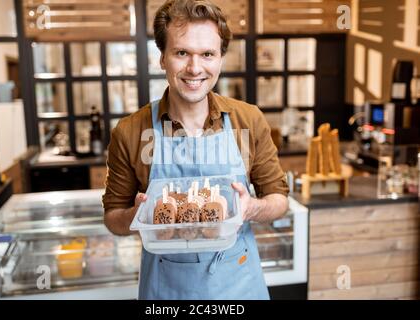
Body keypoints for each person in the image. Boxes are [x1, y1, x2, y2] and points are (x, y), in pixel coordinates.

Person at [103, 0, 289, 300]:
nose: (195, 68)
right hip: (166, 292)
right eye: (181, 53)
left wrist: (252, 208)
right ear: (162, 58)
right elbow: (112, 216)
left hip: (238, 287)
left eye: (207, 54)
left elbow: (279, 198)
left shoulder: (248, 120)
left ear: (220, 59)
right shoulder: (130, 132)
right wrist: (136, 217)